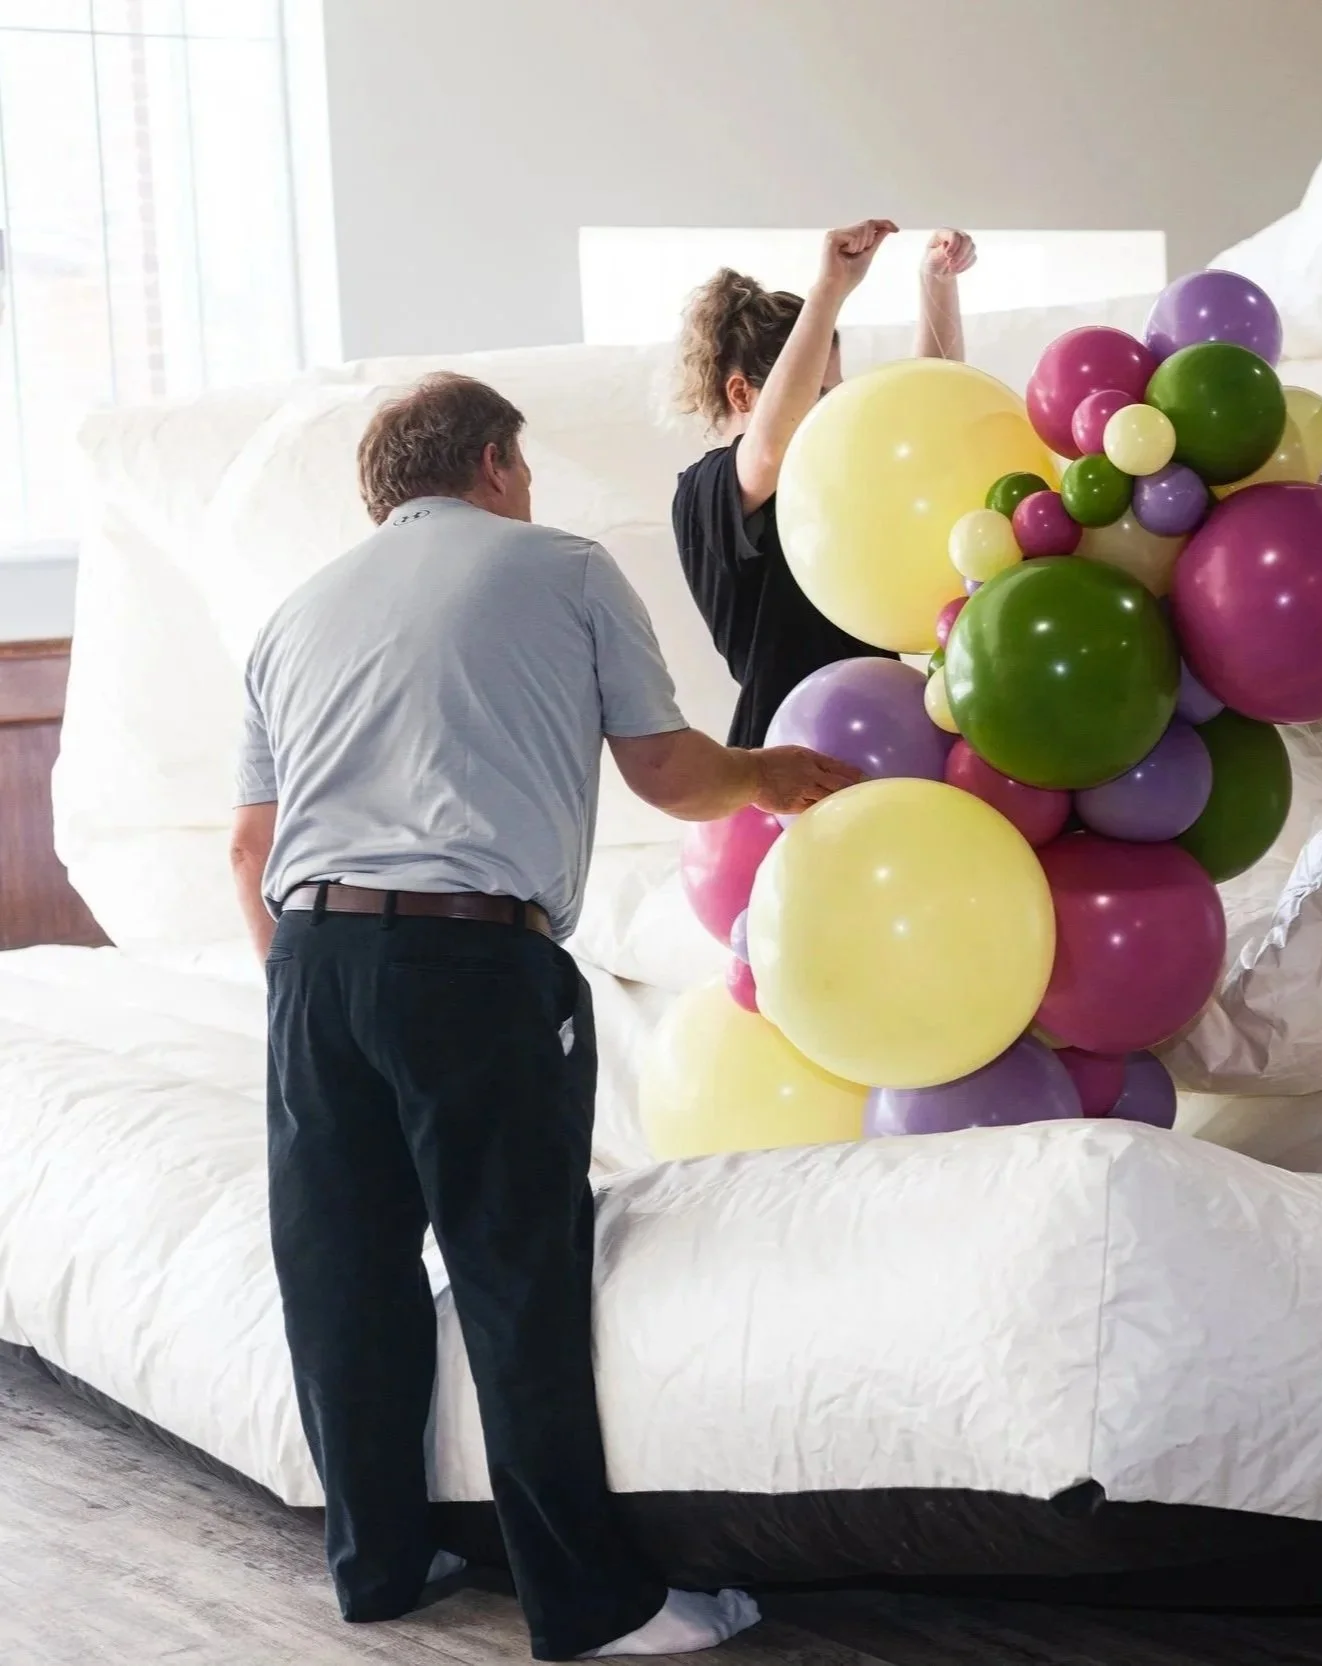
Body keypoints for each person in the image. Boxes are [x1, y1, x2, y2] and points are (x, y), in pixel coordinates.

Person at [228, 372, 857, 1661]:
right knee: (520, 1274)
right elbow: (669, 768)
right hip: (471, 961)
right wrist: (774, 777)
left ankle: (380, 1566)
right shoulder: (562, 568)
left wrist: (314, 981)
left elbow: (250, 847)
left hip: (308, 963)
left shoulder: (293, 616)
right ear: (498, 463)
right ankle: (588, 1603)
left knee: (343, 1282)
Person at [671, 222, 977, 747]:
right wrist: (830, 289)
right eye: (815, 394)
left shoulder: (838, 470)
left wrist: (936, 280)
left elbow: (931, 404)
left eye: (833, 391)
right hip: (790, 746)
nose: (829, 409)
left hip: (889, 726)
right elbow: (768, 451)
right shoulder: (706, 489)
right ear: (743, 394)